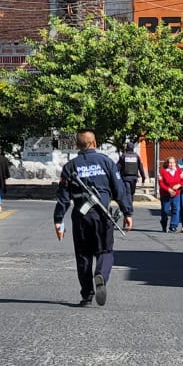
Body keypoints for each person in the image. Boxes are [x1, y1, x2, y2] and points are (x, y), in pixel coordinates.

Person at [53, 130, 133, 307]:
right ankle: (101, 275)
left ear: (77, 146)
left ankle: (87, 296)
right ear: (95, 143)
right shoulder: (106, 162)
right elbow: (120, 189)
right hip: (103, 215)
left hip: (81, 218)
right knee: (105, 251)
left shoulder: (70, 167)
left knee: (83, 256)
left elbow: (63, 198)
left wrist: (58, 221)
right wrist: (127, 213)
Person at [157, 156, 183, 232]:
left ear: (175, 163)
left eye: (173, 163)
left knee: (176, 209)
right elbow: (161, 183)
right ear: (167, 164)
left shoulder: (179, 171)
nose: (171, 164)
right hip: (165, 194)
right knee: (165, 210)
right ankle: (164, 222)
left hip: (176, 193)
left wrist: (179, 185)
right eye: (170, 163)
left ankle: (173, 226)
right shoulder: (163, 171)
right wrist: (168, 189)